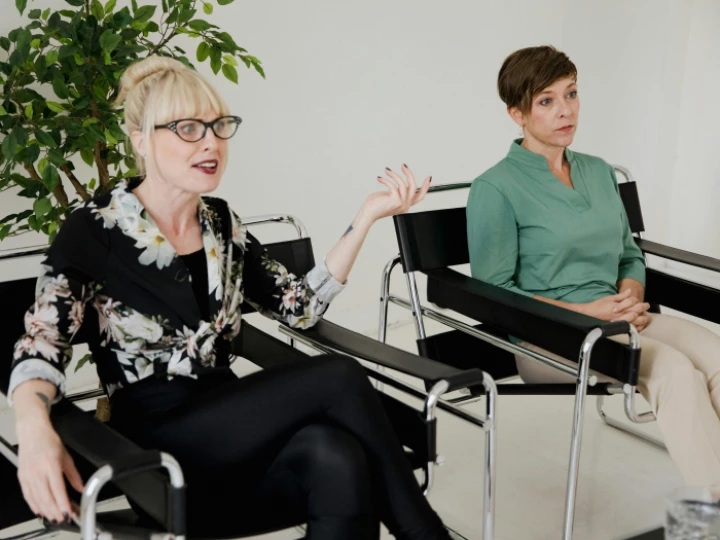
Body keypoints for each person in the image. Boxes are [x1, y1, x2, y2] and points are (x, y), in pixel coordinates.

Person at [9, 56, 451, 540]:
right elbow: (41, 343)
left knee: (336, 456)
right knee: (338, 376)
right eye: (187, 128)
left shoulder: (220, 222)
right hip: (154, 448)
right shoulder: (96, 229)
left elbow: (297, 305)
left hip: (229, 425)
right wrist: (32, 431)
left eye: (219, 126)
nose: (211, 142)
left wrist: (365, 218)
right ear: (140, 140)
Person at [467, 45, 720, 486]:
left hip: (624, 318)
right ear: (517, 113)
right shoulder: (496, 188)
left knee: (715, 355)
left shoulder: (599, 171)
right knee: (675, 372)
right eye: (546, 100)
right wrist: (589, 314)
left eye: (572, 94)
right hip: (548, 337)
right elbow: (494, 293)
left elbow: (628, 253)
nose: (565, 111)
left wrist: (630, 296)